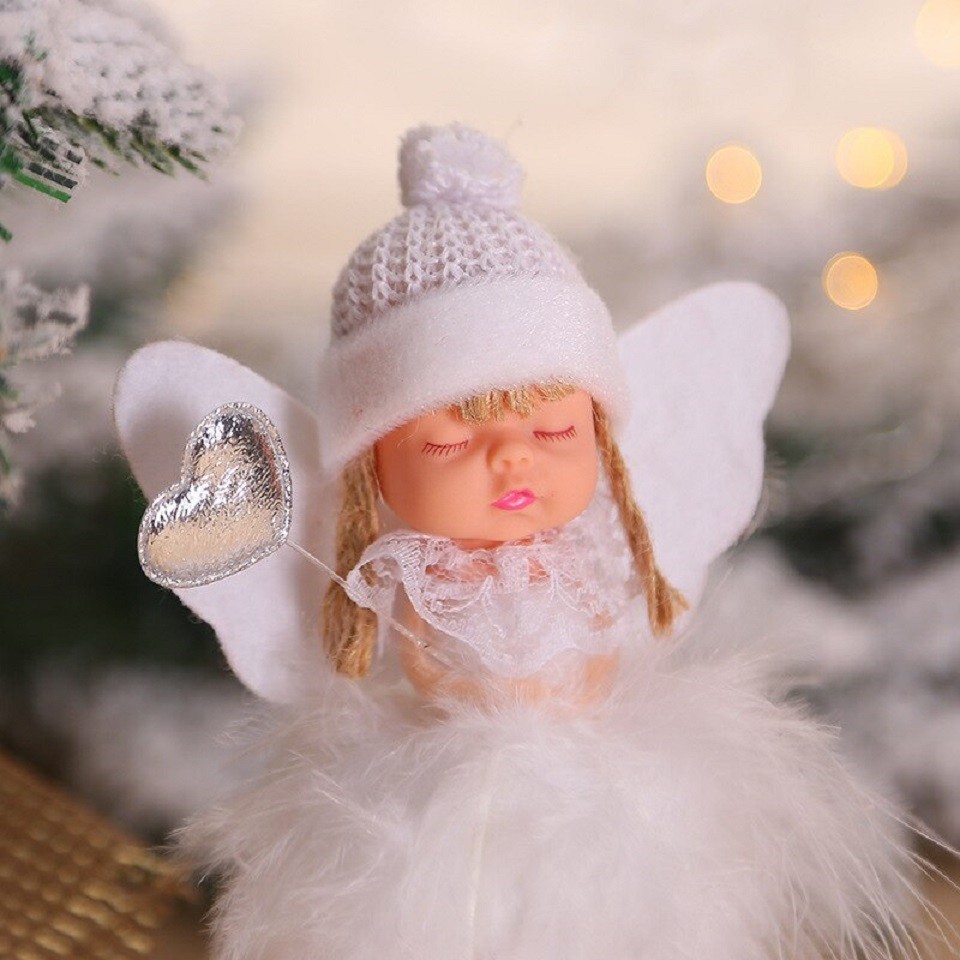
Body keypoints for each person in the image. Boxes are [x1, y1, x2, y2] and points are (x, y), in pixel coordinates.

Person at [118, 124, 918, 960]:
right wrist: (467, 692)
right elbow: (425, 658)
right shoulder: (418, 573)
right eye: (450, 443)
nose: (512, 457)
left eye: (554, 430)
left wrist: (586, 682)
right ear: (373, 470)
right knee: (455, 907)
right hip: (457, 770)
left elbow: (600, 629)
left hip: (588, 752)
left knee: (630, 889)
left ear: (601, 437)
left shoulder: (589, 550)